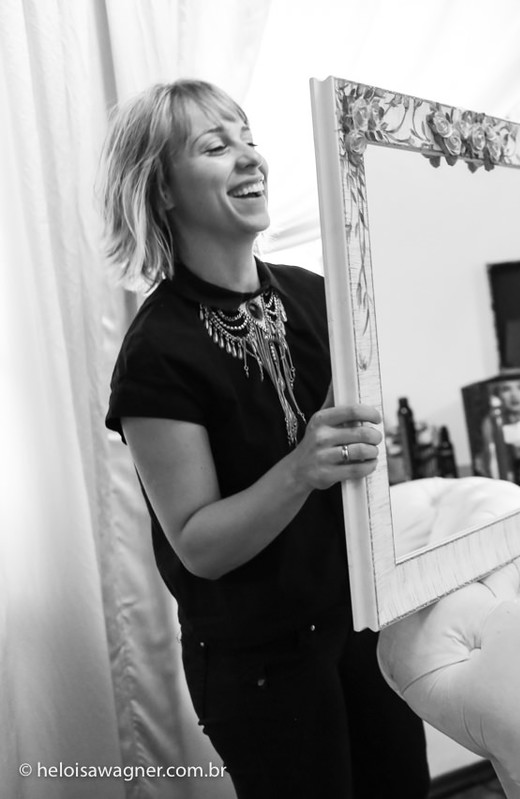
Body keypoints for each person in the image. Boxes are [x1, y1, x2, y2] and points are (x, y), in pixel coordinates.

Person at [99, 79, 429, 798]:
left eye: (248, 138)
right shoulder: (156, 351)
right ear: (161, 190)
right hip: (260, 669)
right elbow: (199, 544)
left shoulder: (318, 295)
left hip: (365, 632)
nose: (251, 157)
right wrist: (302, 468)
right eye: (216, 146)